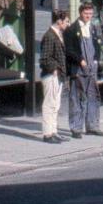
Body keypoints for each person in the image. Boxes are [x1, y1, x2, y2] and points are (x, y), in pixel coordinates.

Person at [64, 3, 103, 138]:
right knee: (77, 98)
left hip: (91, 69)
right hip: (78, 69)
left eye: (90, 14)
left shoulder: (93, 28)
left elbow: (98, 44)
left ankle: (92, 126)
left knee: (93, 96)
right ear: (80, 13)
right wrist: (80, 60)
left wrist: (95, 59)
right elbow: (69, 50)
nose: (88, 16)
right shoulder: (72, 29)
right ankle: (76, 128)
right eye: (85, 14)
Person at [39, 10, 70, 143]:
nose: (68, 24)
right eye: (66, 21)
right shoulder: (49, 36)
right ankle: (47, 134)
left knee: (55, 105)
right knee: (49, 104)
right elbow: (44, 58)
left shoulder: (58, 34)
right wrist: (54, 69)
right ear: (59, 21)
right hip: (51, 75)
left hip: (58, 75)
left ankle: (54, 131)